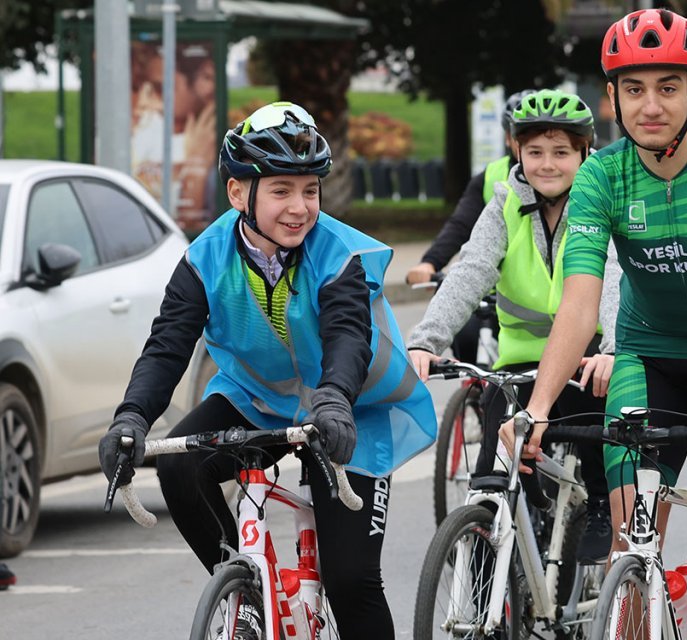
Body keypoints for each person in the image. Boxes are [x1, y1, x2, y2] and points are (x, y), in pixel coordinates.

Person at [499, 9, 687, 639]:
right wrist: (539, 407)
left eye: (667, 87)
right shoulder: (601, 175)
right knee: (632, 523)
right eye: (633, 89)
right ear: (611, 97)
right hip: (645, 346)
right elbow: (579, 304)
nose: (650, 105)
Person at [97, 102, 437, 638]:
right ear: (239, 194)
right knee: (179, 466)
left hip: (352, 409)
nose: (300, 208)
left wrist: (334, 399)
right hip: (256, 399)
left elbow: (348, 336)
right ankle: (242, 592)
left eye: (310, 190)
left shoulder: (337, 253)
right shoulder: (204, 258)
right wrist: (132, 417)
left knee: (351, 580)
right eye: (281, 190)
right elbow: (167, 347)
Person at [406, 89, 621, 563]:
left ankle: (603, 505)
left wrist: (612, 348)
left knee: (593, 425)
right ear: (516, 151)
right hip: (519, 360)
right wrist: (426, 340)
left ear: (585, 153)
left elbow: (611, 276)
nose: (547, 164)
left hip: (586, 357)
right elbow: (470, 271)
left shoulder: (601, 200)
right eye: (535, 152)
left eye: (561, 152)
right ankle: (482, 586)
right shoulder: (504, 202)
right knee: (492, 477)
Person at [404, 90, 534, 363]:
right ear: (509, 137)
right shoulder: (491, 178)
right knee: (465, 336)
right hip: (492, 290)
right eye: (524, 136)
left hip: (542, 306)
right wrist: (430, 263)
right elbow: (461, 225)